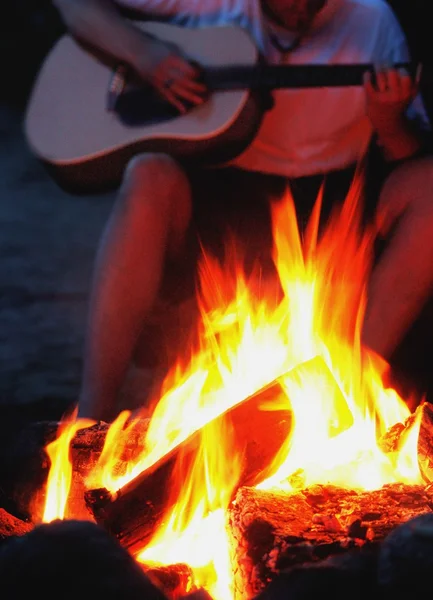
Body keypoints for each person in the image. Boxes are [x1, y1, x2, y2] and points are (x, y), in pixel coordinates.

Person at [51, 0, 433, 422]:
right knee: (148, 173)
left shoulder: (371, 18)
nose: (301, 6)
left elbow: (408, 154)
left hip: (337, 200)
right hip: (221, 194)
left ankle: (346, 386)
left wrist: (389, 122)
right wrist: (145, 54)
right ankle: (91, 416)